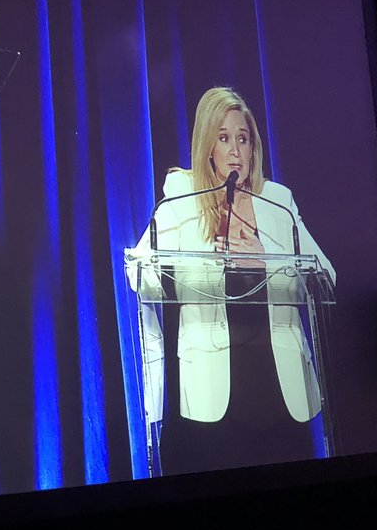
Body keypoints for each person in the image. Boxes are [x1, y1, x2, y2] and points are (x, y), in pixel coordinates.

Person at [126, 87, 335, 476]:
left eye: (243, 138)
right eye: (223, 138)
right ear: (208, 145)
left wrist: (267, 261)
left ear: (253, 147)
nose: (235, 149)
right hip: (214, 388)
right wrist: (194, 264)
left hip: (282, 388)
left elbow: (325, 277)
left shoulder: (277, 202)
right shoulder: (183, 197)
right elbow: (140, 273)